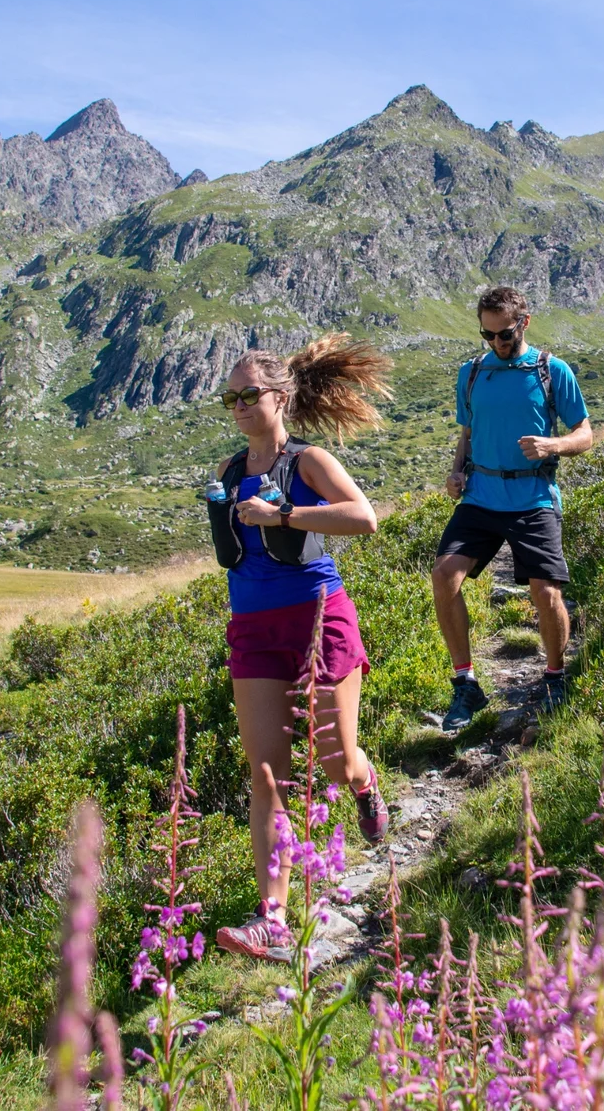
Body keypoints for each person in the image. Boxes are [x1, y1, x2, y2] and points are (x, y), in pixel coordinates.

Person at [209, 334, 391, 961]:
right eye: (229, 397)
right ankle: (274, 916)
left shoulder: (307, 461)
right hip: (253, 629)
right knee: (267, 773)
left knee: (334, 761)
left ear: (279, 397)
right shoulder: (232, 472)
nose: (237, 404)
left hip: (319, 617)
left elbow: (363, 517)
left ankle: (365, 786)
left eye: (247, 394)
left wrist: (283, 515)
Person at [432, 286, 593, 731]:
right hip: (481, 495)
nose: (496, 343)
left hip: (534, 497)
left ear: (523, 322)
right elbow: (466, 433)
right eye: (487, 335)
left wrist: (552, 444)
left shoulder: (551, 370)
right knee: (444, 576)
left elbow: (585, 433)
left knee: (547, 593)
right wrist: (456, 471)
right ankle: (465, 683)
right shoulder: (471, 373)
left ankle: (555, 677)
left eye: (503, 334)